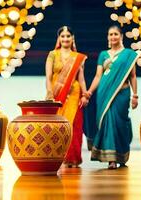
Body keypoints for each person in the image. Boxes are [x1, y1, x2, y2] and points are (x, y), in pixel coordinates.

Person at [86, 25, 139, 169]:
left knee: (120, 123)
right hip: (104, 93)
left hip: (122, 94)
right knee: (107, 122)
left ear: (121, 36)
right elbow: (98, 76)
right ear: (108, 37)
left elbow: (133, 76)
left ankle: (121, 154)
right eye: (110, 34)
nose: (113, 37)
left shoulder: (129, 54)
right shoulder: (103, 54)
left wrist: (135, 95)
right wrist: (89, 92)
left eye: (115, 34)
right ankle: (111, 159)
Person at [45, 26, 88, 168]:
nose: (65, 38)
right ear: (59, 38)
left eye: (68, 36)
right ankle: (56, 156)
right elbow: (48, 76)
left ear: (72, 38)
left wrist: (85, 94)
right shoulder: (52, 54)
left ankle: (72, 158)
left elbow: (81, 78)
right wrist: (50, 93)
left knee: (74, 125)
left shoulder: (78, 57)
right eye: (62, 36)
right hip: (56, 94)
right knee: (55, 125)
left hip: (75, 95)